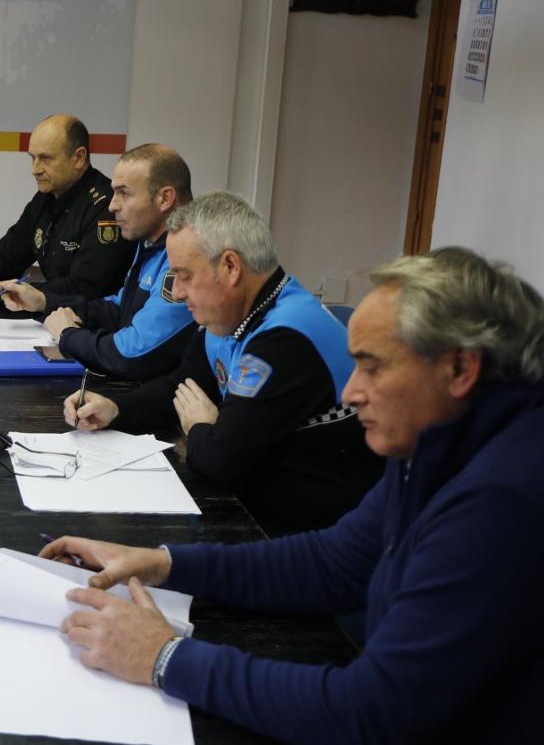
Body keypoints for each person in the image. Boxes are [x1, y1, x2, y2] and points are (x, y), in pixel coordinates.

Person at [44, 247, 544, 744]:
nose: (350, 393)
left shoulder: (505, 498)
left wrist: (163, 656)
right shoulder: (442, 439)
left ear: (460, 369)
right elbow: (335, 563)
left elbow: (370, 712)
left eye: (372, 367)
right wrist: (162, 563)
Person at [65, 192, 381, 534]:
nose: (179, 293)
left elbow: (219, 460)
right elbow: (183, 386)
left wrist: (200, 430)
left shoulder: (286, 338)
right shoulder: (234, 314)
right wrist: (116, 408)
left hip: (311, 532)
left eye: (185, 276)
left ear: (230, 267)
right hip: (263, 502)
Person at [0, 143, 196, 380]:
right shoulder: (150, 244)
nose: (112, 205)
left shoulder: (189, 258)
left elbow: (130, 353)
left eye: (124, 193)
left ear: (165, 198)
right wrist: (44, 301)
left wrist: (67, 335)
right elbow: (118, 310)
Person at [0, 113, 135, 302]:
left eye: (46, 158)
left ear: (78, 157)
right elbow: (9, 255)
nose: (35, 169)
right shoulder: (46, 197)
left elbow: (86, 288)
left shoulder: (106, 207)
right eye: (33, 158)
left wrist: (1, 290)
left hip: (94, 323)